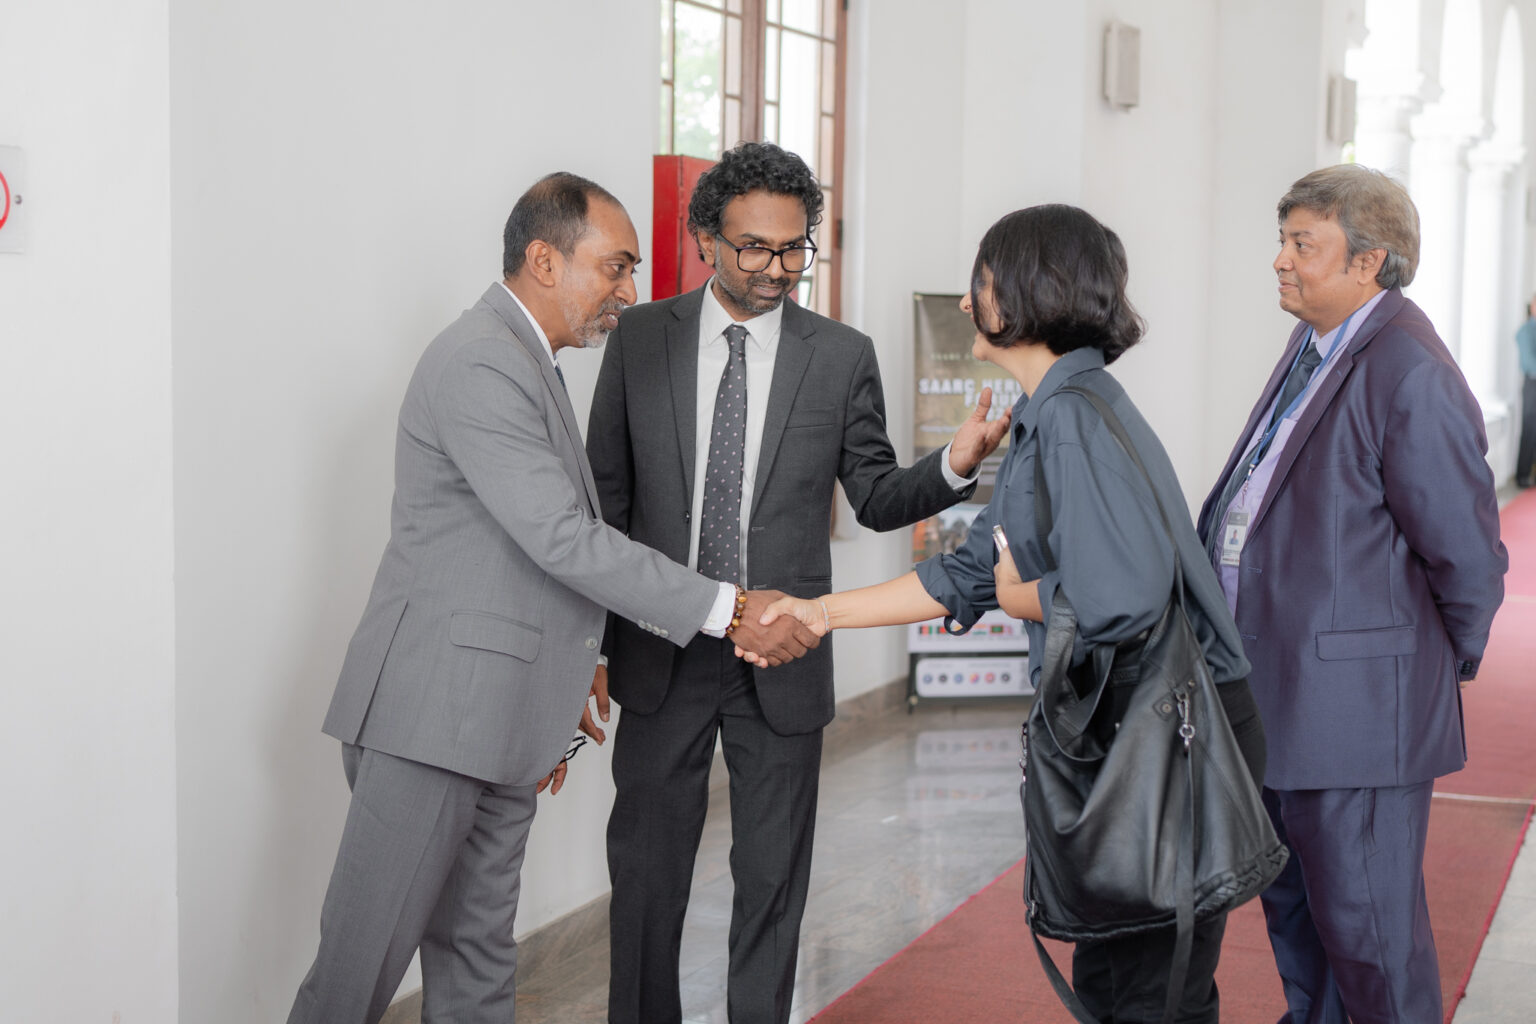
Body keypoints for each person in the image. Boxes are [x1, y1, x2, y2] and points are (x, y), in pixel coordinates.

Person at [286, 172, 818, 1024]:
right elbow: (563, 539)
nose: (630, 292)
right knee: (356, 976)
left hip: (500, 723)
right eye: (615, 267)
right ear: (543, 260)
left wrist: (568, 675)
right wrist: (732, 608)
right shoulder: (480, 360)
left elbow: (529, 556)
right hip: (435, 720)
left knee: (477, 962)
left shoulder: (531, 361)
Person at [753, 203, 1265, 1023]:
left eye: (981, 281)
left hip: (1165, 733)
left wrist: (1021, 593)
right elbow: (969, 573)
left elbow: (1120, 599)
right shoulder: (1054, 409)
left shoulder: (1071, 418)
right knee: (1118, 981)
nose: (966, 301)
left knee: (1148, 995)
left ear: (1029, 291)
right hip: (1138, 725)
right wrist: (819, 613)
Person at [586, 141, 1009, 1024]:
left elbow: (878, 495)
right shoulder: (641, 341)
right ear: (706, 239)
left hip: (784, 653)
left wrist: (956, 465)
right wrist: (591, 646)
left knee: (772, 882)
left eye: (793, 249)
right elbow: (607, 509)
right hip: (662, 649)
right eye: (754, 248)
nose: (776, 269)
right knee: (647, 878)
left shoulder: (841, 355)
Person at [1196, 164, 1508, 1024]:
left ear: (1369, 262)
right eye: (1283, 240)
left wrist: (1425, 668)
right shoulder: (1315, 346)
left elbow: (1467, 555)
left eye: (1304, 244)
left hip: (1359, 713)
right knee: (1302, 926)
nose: (1281, 260)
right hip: (1279, 697)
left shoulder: (1408, 368)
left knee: (1370, 940)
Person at [1516, 293, 1536, 487]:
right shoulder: (1525, 331)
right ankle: (1522, 475)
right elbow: (1529, 362)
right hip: (1532, 385)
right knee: (1530, 429)